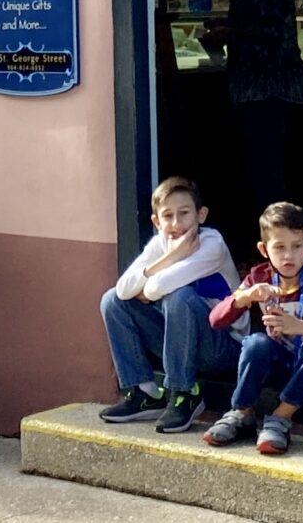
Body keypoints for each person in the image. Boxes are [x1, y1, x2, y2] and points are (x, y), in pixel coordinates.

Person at [204, 200, 303, 457]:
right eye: (279, 247)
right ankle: (242, 412)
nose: (289, 256)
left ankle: (280, 418)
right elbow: (216, 320)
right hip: (280, 367)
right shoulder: (259, 277)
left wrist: (302, 327)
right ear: (264, 250)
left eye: (297, 247)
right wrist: (245, 297)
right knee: (255, 343)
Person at [99, 174, 239, 433]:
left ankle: (182, 393)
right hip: (180, 344)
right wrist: (172, 256)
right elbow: (123, 289)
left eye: (184, 213)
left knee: (179, 297)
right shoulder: (160, 244)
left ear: (201, 214)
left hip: (221, 346)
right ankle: (145, 394)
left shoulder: (212, 244)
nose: (176, 223)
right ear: (156, 221)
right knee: (112, 301)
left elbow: (154, 288)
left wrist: (150, 283)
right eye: (167, 216)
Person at [210, 0, 303, 215]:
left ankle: (274, 238)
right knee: (268, 166)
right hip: (271, 86)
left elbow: (266, 31)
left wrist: (229, 33)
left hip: (264, 87)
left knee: (266, 168)